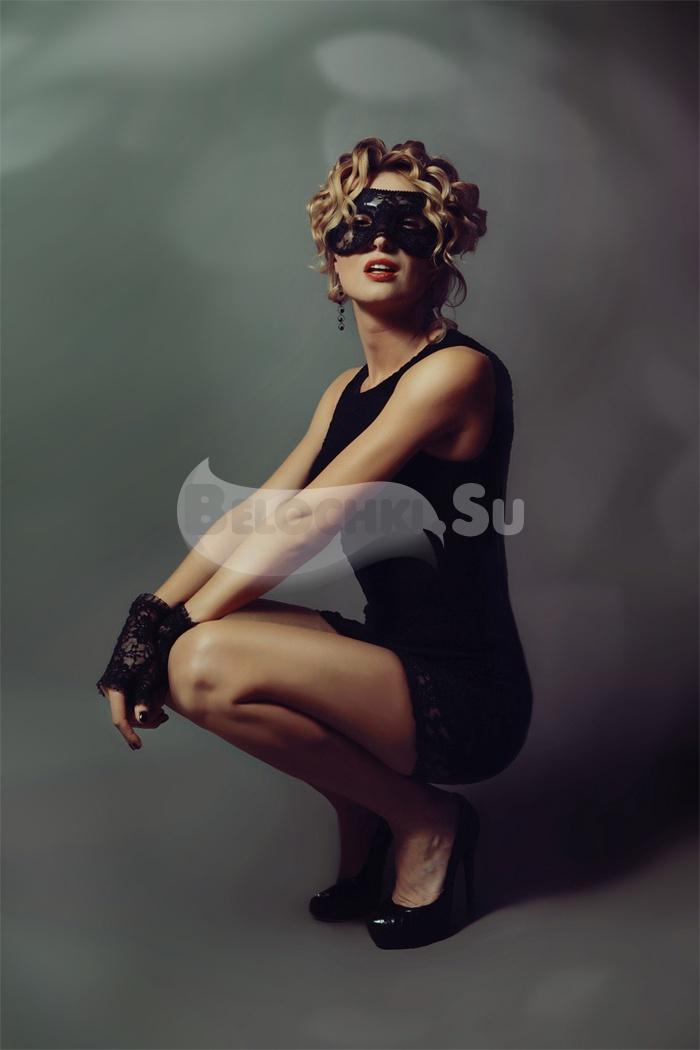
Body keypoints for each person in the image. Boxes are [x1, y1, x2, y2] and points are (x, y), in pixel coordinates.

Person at [95, 137, 533, 951]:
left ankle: (425, 819)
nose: (380, 240)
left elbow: (310, 523)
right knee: (192, 641)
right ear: (332, 259)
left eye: (406, 224)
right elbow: (257, 514)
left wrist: (171, 642)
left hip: (464, 694)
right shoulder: (346, 392)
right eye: (358, 226)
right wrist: (145, 624)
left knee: (202, 661)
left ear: (440, 250)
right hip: (387, 656)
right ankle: (364, 810)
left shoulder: (453, 374)